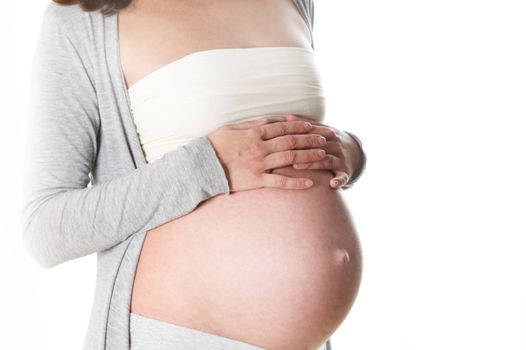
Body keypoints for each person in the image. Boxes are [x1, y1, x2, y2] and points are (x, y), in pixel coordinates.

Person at [21, 1, 367, 349]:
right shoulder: (84, 22)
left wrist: (350, 151)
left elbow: (287, 142)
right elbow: (45, 229)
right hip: (178, 334)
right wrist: (208, 164)